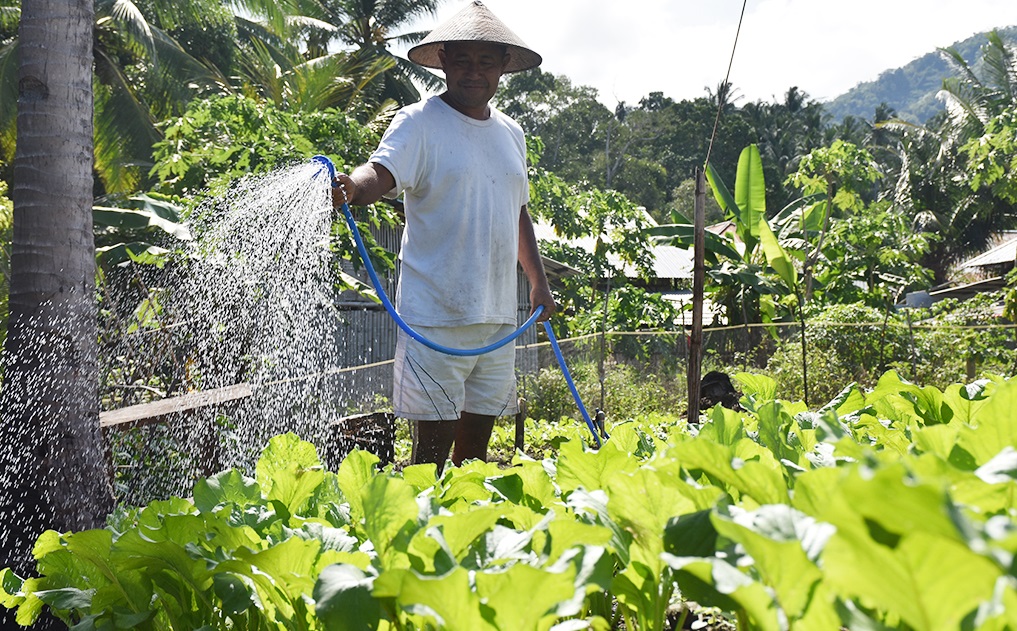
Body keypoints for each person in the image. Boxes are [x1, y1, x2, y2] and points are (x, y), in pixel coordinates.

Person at [332, 1, 555, 470]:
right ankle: (421, 517)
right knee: (429, 456)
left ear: (502, 67)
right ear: (444, 62)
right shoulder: (418, 123)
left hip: (497, 315)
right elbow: (380, 172)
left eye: (485, 61)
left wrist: (538, 281)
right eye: (463, 60)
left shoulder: (512, 133)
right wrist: (352, 189)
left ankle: (465, 513)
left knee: (475, 455)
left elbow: (517, 210)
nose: (474, 72)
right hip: (434, 317)